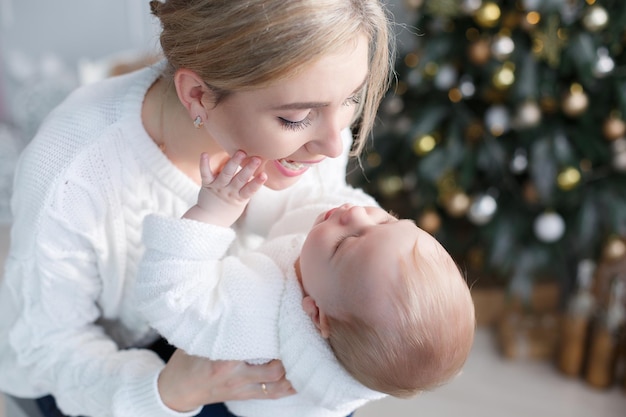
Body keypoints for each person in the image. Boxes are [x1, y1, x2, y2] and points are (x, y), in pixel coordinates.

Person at [0, 0, 396, 416]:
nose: (336, 144)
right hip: (88, 369)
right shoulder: (72, 171)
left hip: (206, 313)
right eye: (296, 118)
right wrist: (172, 389)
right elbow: (46, 347)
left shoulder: (317, 130)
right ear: (197, 94)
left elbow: (310, 218)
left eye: (351, 98)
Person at [135, 152, 476, 417]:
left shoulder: (257, 314)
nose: (355, 213)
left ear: (316, 315)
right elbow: (302, 203)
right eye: (389, 219)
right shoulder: (350, 276)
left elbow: (172, 295)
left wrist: (215, 211)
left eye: (346, 242)